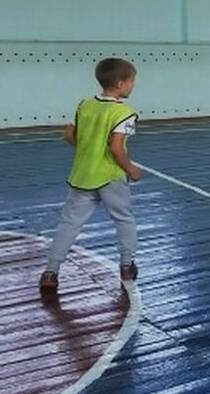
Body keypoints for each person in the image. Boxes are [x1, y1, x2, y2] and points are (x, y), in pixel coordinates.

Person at [39, 58, 142, 291]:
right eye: (132, 81)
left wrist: (89, 150)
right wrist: (131, 169)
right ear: (120, 83)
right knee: (124, 219)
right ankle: (127, 265)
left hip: (82, 176)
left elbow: (69, 135)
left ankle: (50, 272)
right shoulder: (124, 113)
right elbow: (116, 148)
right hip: (110, 176)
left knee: (69, 224)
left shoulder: (84, 105)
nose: (133, 85)